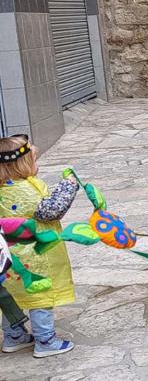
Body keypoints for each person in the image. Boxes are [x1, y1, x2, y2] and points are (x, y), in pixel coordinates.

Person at [0, 135, 79, 358]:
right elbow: (50, 210)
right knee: (40, 297)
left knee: (11, 295)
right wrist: (68, 186)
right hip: (35, 256)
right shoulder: (26, 189)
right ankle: (46, 341)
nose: (37, 164)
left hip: (7, 258)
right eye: (34, 159)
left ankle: (13, 336)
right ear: (21, 165)